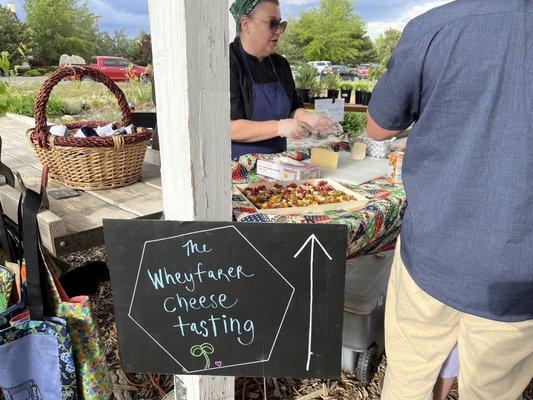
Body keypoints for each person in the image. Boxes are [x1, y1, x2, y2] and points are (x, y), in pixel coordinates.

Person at [365, 1, 533, 399]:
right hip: (518, 270)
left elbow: (377, 126)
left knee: (409, 379)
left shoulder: (436, 28)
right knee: (493, 392)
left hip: (435, 252)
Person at [229, 0, 335, 160]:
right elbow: (230, 127)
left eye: (280, 24)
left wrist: (309, 118)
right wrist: (279, 127)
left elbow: (293, 108)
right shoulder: (228, 62)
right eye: (272, 23)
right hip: (240, 168)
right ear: (246, 24)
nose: (278, 31)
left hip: (278, 164)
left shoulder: (280, 64)